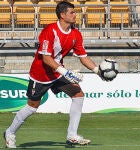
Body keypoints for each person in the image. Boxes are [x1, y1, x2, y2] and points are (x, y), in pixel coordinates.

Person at [4, 1, 105, 148]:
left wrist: (97, 71)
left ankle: (72, 136)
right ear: (62, 15)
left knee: (78, 95)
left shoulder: (75, 33)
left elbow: (83, 57)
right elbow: (46, 58)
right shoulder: (49, 31)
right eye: (72, 12)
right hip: (40, 74)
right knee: (32, 107)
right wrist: (65, 71)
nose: (75, 14)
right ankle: (10, 132)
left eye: (75, 12)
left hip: (57, 72)